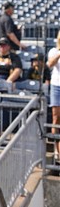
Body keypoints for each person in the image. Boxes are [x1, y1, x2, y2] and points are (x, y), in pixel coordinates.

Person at [47, 31, 60, 162]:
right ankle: (56, 148)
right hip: (56, 86)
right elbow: (50, 64)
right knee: (56, 118)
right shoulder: (53, 51)